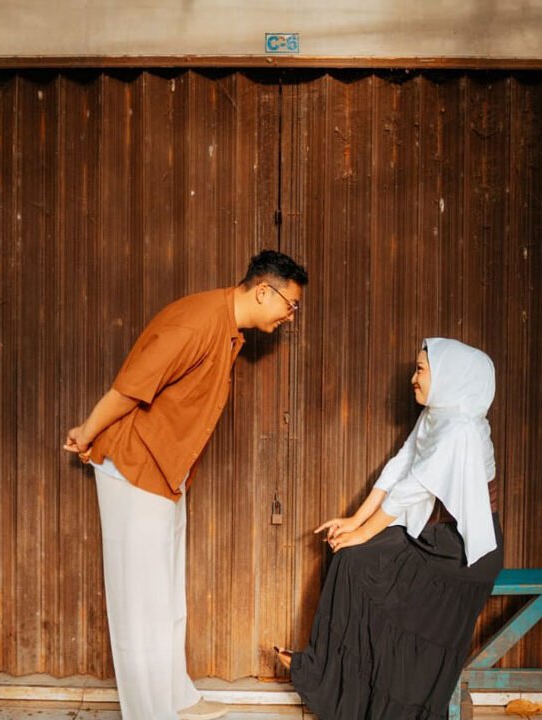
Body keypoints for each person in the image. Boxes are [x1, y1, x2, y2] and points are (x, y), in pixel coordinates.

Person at [64, 249, 308, 720]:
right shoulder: (197, 322)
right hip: (134, 467)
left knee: (166, 596)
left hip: (166, 472)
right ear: (264, 291)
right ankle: (148, 713)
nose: (290, 316)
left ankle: (175, 698)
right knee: (141, 603)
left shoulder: (226, 328)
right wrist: (87, 432)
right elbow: (130, 387)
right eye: (291, 304)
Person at [277, 337, 503, 720]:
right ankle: (328, 677)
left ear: (448, 376)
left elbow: (414, 487)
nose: (413, 378)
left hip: (464, 552)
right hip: (437, 538)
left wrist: (363, 534)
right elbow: (400, 465)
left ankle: (346, 687)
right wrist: (354, 522)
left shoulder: (460, 429)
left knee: (358, 562)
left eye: (421, 370)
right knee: (350, 557)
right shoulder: (437, 415)